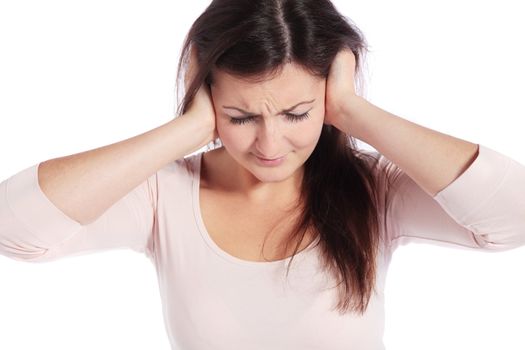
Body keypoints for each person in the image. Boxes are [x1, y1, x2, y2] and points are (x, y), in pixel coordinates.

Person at [1, 0, 524, 349]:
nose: (270, 145)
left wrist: (352, 110)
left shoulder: (375, 190)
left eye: (297, 114)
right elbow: (14, 231)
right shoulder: (165, 195)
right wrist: (186, 130)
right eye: (241, 117)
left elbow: (513, 217)